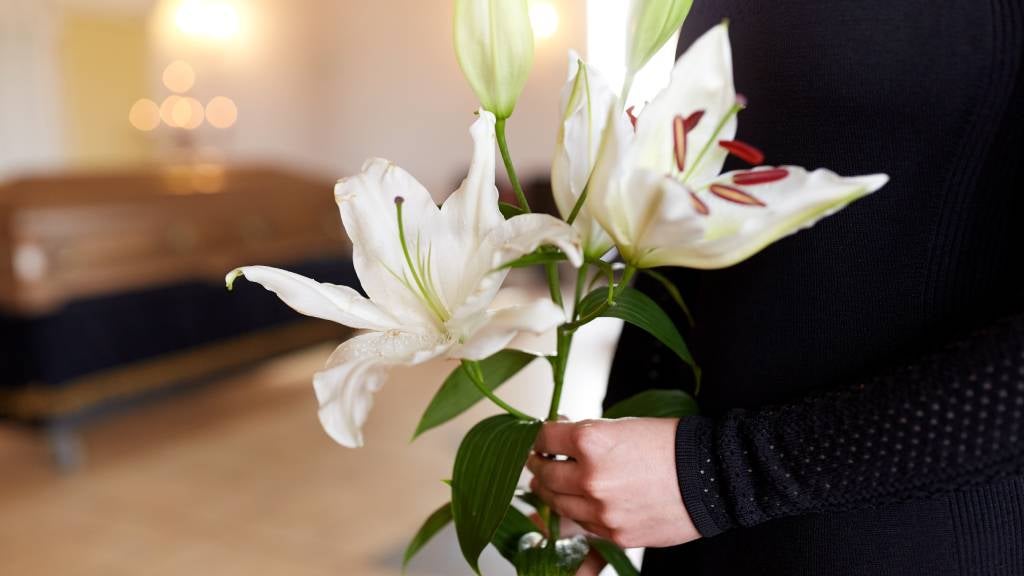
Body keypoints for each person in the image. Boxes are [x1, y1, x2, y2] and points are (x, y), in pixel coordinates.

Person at [527, 1, 1024, 574]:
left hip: (918, 538)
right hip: (692, 524)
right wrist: (598, 471)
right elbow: (690, 231)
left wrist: (722, 475)